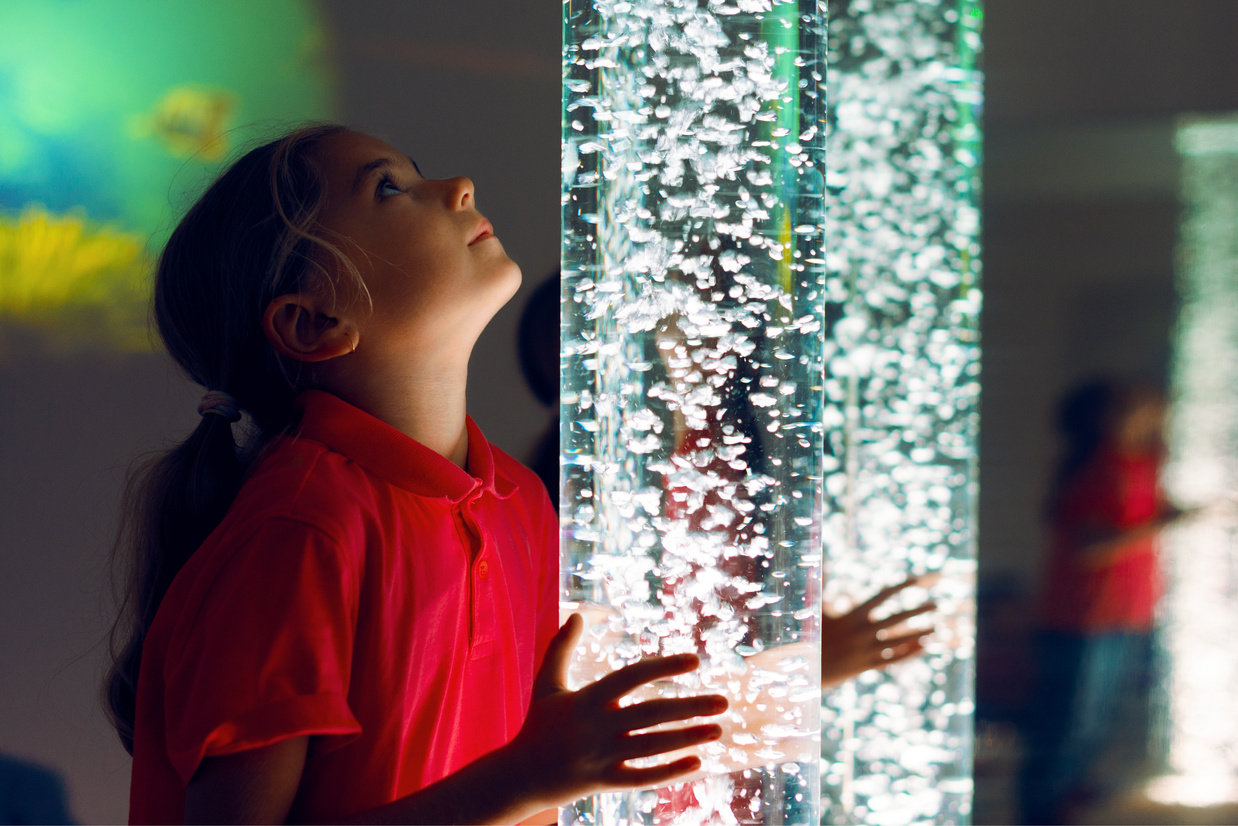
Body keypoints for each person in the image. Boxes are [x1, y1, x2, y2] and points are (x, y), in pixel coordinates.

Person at [104, 124, 730, 825]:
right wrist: (521, 779)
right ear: (314, 322)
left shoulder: (519, 502)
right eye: (390, 188)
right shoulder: (300, 533)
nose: (459, 185)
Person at [1020, 378, 1189, 824]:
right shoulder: (1097, 468)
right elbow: (1088, 546)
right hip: (1083, 615)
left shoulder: (1141, 461)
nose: (1148, 408)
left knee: (1095, 719)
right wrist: (1162, 524)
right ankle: (1041, 810)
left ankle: (1064, 800)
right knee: (1068, 723)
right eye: (1130, 403)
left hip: (1125, 611)